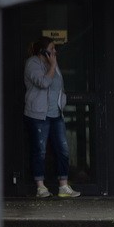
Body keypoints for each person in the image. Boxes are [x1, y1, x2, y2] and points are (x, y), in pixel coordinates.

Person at [23, 36, 80, 198]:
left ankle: (63, 185)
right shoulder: (32, 64)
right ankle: (40, 187)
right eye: (52, 48)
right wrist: (53, 65)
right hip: (38, 115)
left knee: (63, 150)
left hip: (56, 114)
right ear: (43, 51)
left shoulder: (53, 64)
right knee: (39, 151)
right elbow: (44, 83)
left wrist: (62, 102)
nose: (55, 52)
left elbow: (59, 86)